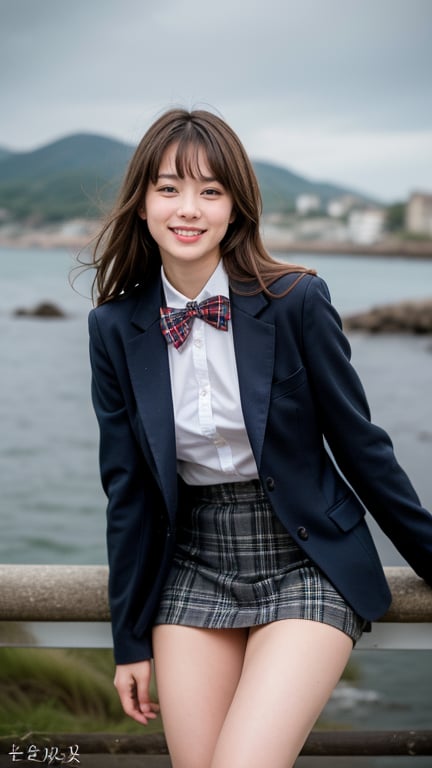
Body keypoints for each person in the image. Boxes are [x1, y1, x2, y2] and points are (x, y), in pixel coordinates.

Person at [88, 107, 432, 768]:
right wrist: (128, 640)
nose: (188, 208)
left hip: (306, 556)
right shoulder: (114, 327)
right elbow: (127, 490)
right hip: (193, 561)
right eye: (168, 188)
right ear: (141, 204)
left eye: (210, 191)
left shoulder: (297, 299)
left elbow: (361, 447)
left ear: (236, 209)